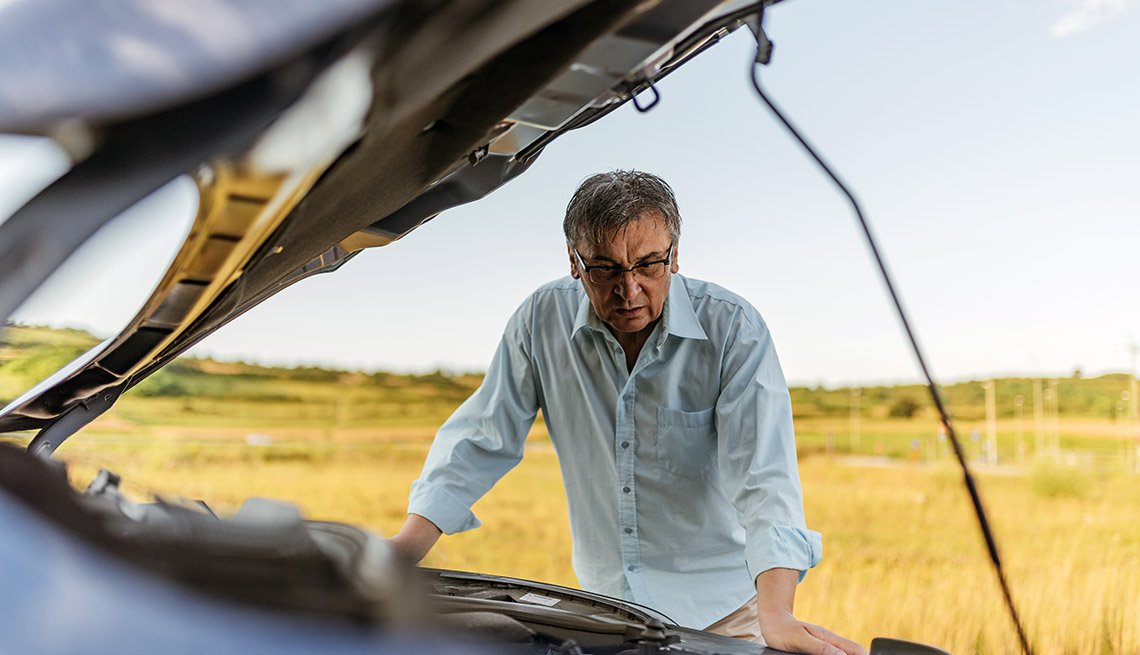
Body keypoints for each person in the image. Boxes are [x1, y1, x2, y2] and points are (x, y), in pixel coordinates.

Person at [389, 170, 865, 655]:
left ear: (675, 255)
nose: (630, 290)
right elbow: (482, 439)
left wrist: (777, 616)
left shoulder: (733, 328)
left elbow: (765, 479)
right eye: (605, 269)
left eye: (648, 265)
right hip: (603, 611)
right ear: (574, 263)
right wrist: (399, 556)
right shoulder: (539, 321)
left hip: (722, 614)